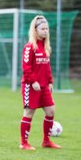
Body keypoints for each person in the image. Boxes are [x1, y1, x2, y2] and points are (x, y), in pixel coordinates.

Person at [19, 15, 61, 150]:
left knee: (50, 111)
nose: (46, 31)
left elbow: (47, 67)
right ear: (35, 30)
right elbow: (26, 67)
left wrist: (50, 82)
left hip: (44, 86)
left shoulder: (46, 47)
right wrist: (33, 81)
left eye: (47, 29)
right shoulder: (30, 47)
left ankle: (46, 141)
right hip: (31, 86)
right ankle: (23, 143)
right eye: (43, 28)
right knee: (29, 113)